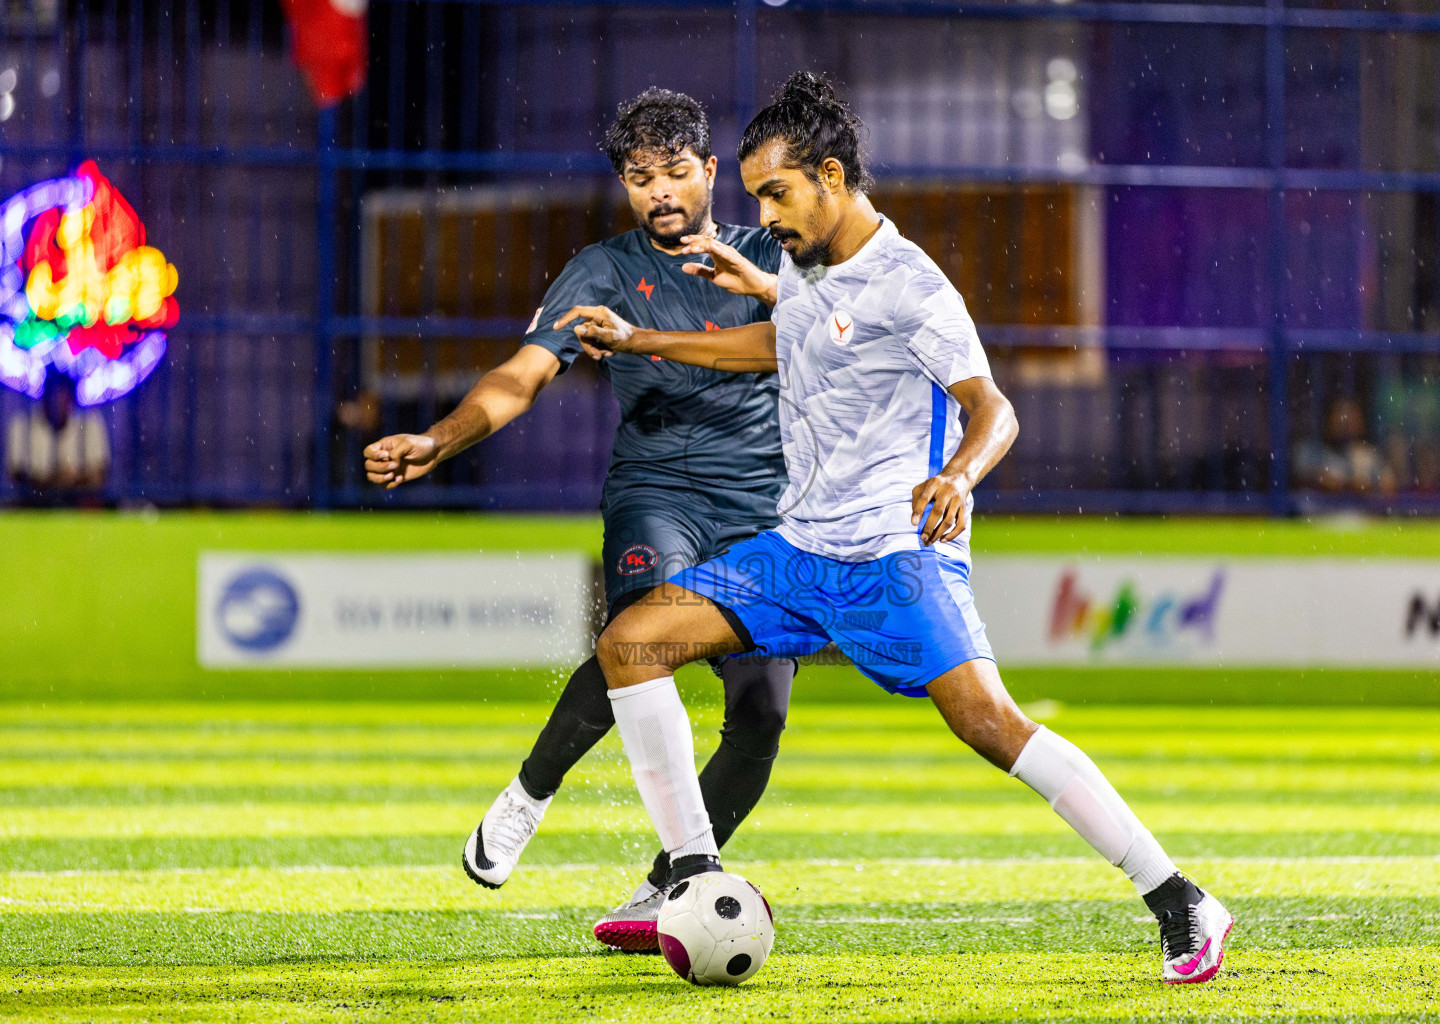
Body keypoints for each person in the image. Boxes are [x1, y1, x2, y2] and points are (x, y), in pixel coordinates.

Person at [559, 72, 1234, 985]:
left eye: (776, 193)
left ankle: (1180, 898)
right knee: (631, 647)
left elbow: (993, 407)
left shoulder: (912, 284)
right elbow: (781, 341)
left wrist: (958, 475)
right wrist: (647, 342)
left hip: (892, 558)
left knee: (991, 725)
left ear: (831, 176)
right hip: (798, 552)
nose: (763, 212)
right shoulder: (801, 263)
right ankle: (689, 875)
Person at [362, 88, 797, 952]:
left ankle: (657, 892)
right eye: (642, 179)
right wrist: (440, 439)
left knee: (761, 716)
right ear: (625, 186)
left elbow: (835, 341)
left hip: (765, 510)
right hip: (657, 492)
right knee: (641, 630)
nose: (661, 193)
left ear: (711, 172)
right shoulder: (600, 271)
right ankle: (533, 796)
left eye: (677, 173)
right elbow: (521, 375)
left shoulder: (767, 258)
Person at [5, 368, 109, 493]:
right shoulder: (22, 423)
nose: (58, 402)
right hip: (32, 504)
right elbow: (15, 474)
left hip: (80, 504)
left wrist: (72, 480)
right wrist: (51, 481)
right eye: (54, 395)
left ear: (71, 400)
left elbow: (99, 474)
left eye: (63, 396)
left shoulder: (90, 423)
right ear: (45, 398)